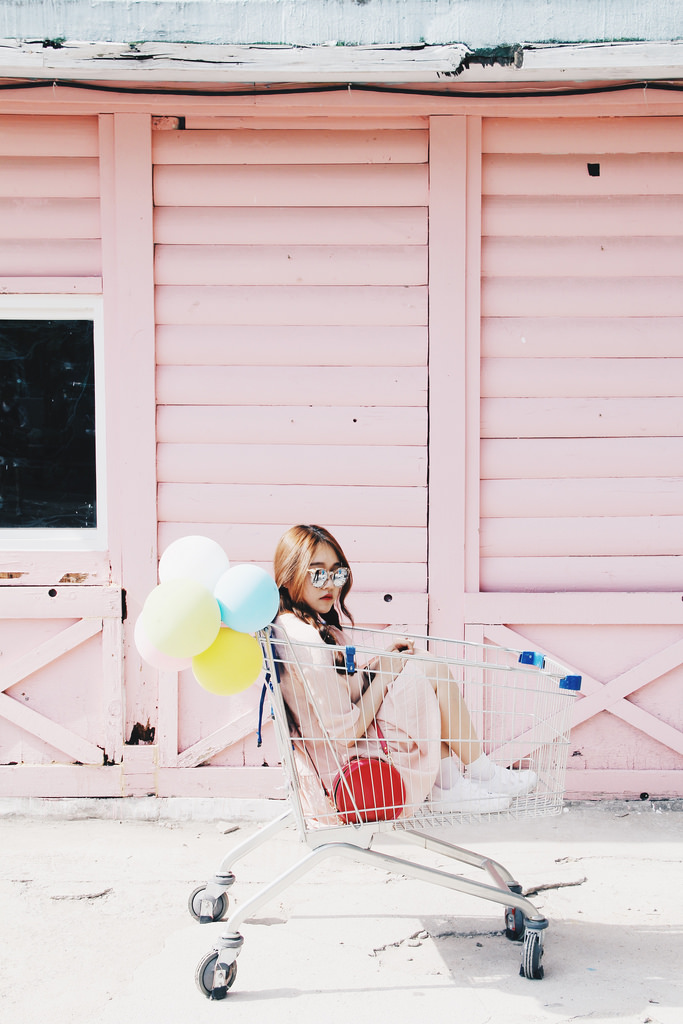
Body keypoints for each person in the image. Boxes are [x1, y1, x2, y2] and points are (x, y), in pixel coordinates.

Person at [272, 524, 537, 816]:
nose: (330, 584)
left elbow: (346, 692)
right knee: (425, 670)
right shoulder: (308, 639)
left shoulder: (298, 627)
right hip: (352, 763)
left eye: (338, 573)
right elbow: (345, 732)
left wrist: (381, 663)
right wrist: (386, 676)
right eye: (318, 573)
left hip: (355, 746)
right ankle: (472, 777)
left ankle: (452, 785)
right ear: (289, 575)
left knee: (419, 662)